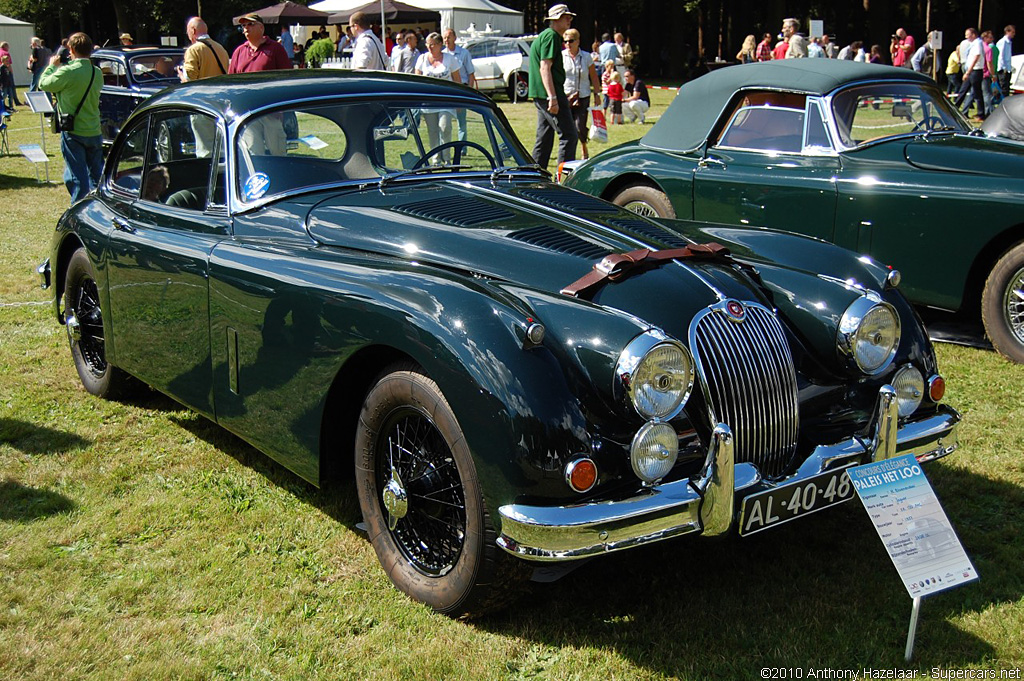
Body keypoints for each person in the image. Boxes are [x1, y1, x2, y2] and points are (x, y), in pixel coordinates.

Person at [38, 32, 103, 204]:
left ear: (71, 49)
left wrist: (52, 66)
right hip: (94, 129)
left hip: (74, 130)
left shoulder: (68, 72)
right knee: (96, 177)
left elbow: (43, 83)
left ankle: (80, 212)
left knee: (78, 179)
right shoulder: (96, 72)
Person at [528, 4, 578, 171]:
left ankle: (534, 175)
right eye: (566, 17)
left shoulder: (545, 36)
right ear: (556, 19)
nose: (569, 19)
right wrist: (553, 97)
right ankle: (564, 179)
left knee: (544, 137)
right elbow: (545, 67)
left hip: (541, 95)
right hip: (550, 95)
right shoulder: (552, 37)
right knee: (569, 136)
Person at [179, 17, 229, 157]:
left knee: (205, 151)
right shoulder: (221, 49)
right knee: (222, 149)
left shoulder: (193, 50)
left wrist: (181, 77)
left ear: (193, 31)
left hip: (202, 103)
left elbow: (189, 81)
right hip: (221, 103)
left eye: (188, 31)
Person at [415, 32, 461, 163]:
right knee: (433, 131)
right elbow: (417, 81)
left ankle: (446, 158)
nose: (430, 47)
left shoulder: (450, 59)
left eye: (433, 45)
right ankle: (436, 160)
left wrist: (459, 100)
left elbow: (457, 80)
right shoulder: (422, 59)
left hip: (446, 100)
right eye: (428, 45)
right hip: (429, 102)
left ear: (440, 45)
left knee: (445, 127)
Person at [562, 27, 600, 159]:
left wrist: (597, 94)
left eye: (571, 41)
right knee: (568, 127)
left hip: (583, 95)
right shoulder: (562, 56)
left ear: (577, 41)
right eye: (565, 41)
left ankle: (584, 146)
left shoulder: (586, 56)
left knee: (580, 126)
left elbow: (594, 76)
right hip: (566, 95)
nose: (568, 44)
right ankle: (569, 153)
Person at [443, 28, 476, 142]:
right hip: (447, 92)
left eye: (448, 37)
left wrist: (470, 93)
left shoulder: (464, 53)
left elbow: (471, 74)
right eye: (444, 37)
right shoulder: (443, 54)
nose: (446, 40)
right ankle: (444, 149)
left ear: (455, 38)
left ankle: (462, 148)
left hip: (461, 90)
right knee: (445, 122)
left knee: (461, 121)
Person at [955, 28, 986, 120]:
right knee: (963, 90)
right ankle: (955, 109)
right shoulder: (972, 44)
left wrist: (968, 72)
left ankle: (981, 114)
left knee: (977, 92)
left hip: (975, 71)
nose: (966, 37)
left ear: (973, 34)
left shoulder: (978, 43)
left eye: (967, 34)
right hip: (970, 70)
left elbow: (976, 57)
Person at [996, 25, 1015, 97]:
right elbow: (1001, 56)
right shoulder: (1003, 42)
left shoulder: (1009, 42)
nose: (1014, 34)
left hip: (1008, 69)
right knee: (1003, 87)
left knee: (1006, 87)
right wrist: (1003, 68)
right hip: (1003, 69)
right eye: (1012, 32)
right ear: (1007, 32)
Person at [0, 41, 20, 109]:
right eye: (8, 46)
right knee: (5, 94)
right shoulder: (5, 53)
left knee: (9, 94)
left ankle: (11, 107)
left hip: (6, 81)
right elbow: (9, 65)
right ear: (5, 46)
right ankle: (4, 105)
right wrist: (11, 71)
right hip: (5, 81)